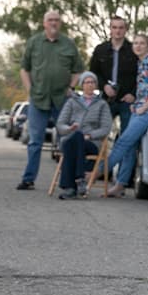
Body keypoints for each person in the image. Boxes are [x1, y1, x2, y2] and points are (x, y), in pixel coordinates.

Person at [17, 10, 82, 190]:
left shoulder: (68, 44)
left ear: (60, 23)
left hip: (62, 100)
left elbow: (78, 70)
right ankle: (29, 178)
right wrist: (29, 89)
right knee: (35, 141)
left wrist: (71, 87)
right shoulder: (34, 43)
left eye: (56, 20)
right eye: (50, 20)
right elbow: (24, 68)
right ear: (44, 23)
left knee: (66, 140)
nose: (53, 23)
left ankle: (67, 180)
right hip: (38, 99)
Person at [105, 33, 148, 198]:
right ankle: (120, 184)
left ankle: (96, 174)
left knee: (123, 142)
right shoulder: (141, 63)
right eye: (136, 43)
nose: (138, 46)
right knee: (129, 147)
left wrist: (144, 106)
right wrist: (136, 104)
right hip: (138, 109)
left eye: (142, 43)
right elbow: (144, 89)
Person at [54, 71, 113, 200]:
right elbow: (60, 124)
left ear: (96, 85)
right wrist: (69, 128)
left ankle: (70, 188)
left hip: (91, 143)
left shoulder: (102, 104)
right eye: (87, 82)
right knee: (75, 138)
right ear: (82, 85)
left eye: (93, 82)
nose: (90, 85)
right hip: (71, 137)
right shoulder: (72, 102)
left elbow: (106, 128)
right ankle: (79, 179)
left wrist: (90, 135)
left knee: (76, 140)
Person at [88, 15, 138, 136]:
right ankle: (101, 156)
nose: (118, 31)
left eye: (121, 27)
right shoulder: (100, 50)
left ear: (125, 29)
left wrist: (133, 94)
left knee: (127, 137)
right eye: (114, 27)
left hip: (127, 101)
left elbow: (141, 75)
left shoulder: (134, 50)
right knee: (99, 134)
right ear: (110, 29)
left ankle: (125, 156)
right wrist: (104, 86)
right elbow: (93, 73)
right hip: (106, 99)